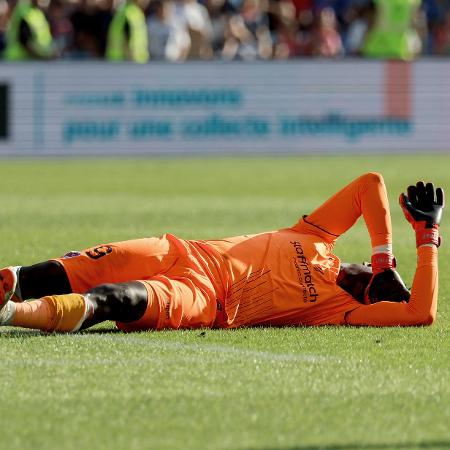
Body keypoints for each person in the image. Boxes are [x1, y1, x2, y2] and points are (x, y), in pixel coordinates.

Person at [0, 173, 444, 333]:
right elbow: (371, 184)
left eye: (378, 287)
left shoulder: (337, 309)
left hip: (202, 297)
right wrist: (387, 262)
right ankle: (10, 289)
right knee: (54, 271)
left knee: (116, 298)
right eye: (375, 271)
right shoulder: (317, 236)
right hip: (176, 250)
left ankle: (10, 317)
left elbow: (420, 313)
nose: (371, 278)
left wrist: (427, 242)